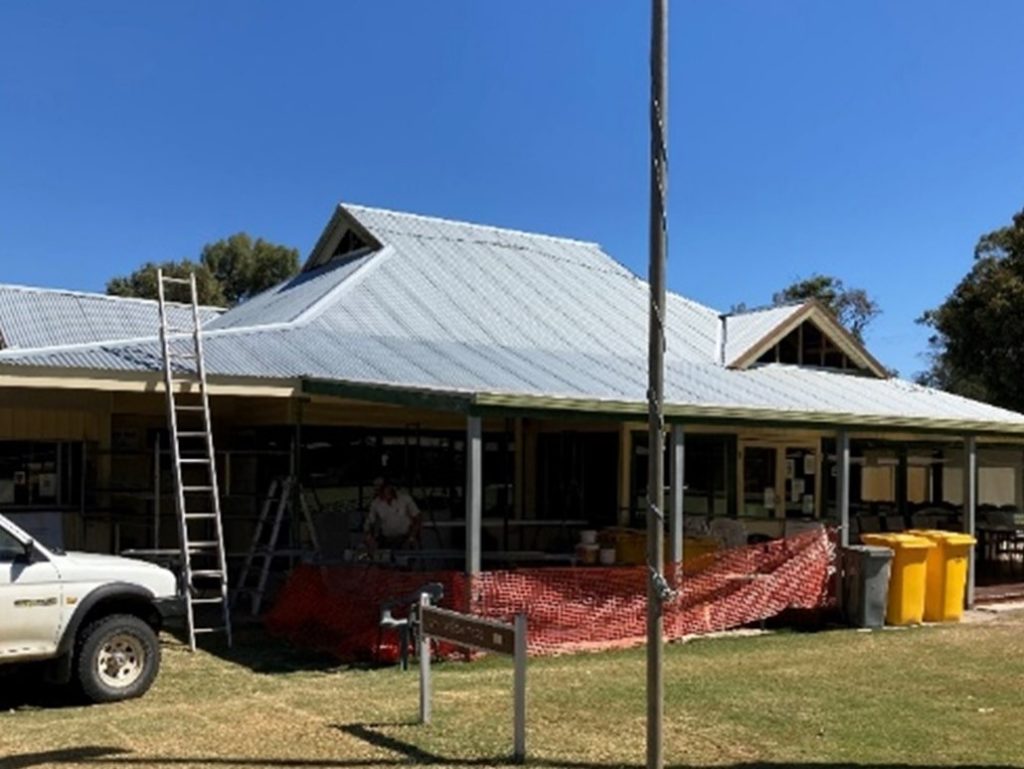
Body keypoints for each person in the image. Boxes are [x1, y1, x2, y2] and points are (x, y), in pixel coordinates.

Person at [363, 478, 421, 553]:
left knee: (404, 562)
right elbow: (369, 522)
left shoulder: (405, 499)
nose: (378, 490)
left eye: (380, 487)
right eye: (376, 487)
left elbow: (417, 518)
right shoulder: (375, 503)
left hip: (405, 540)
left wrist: (412, 537)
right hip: (386, 541)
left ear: (389, 487)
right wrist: (369, 537)